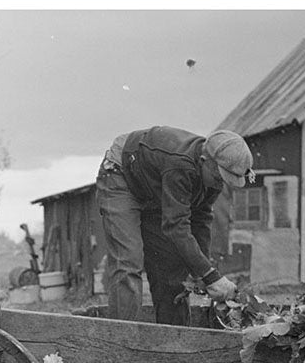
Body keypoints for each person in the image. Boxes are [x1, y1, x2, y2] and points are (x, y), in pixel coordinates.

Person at [96, 126, 252, 325]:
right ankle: (120, 343)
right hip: (122, 176)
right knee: (129, 261)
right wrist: (211, 276)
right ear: (205, 162)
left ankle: (174, 343)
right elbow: (176, 226)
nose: (220, 184)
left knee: (171, 268)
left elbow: (201, 220)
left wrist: (202, 272)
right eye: (219, 177)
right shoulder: (180, 165)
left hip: (154, 189)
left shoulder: (212, 178)